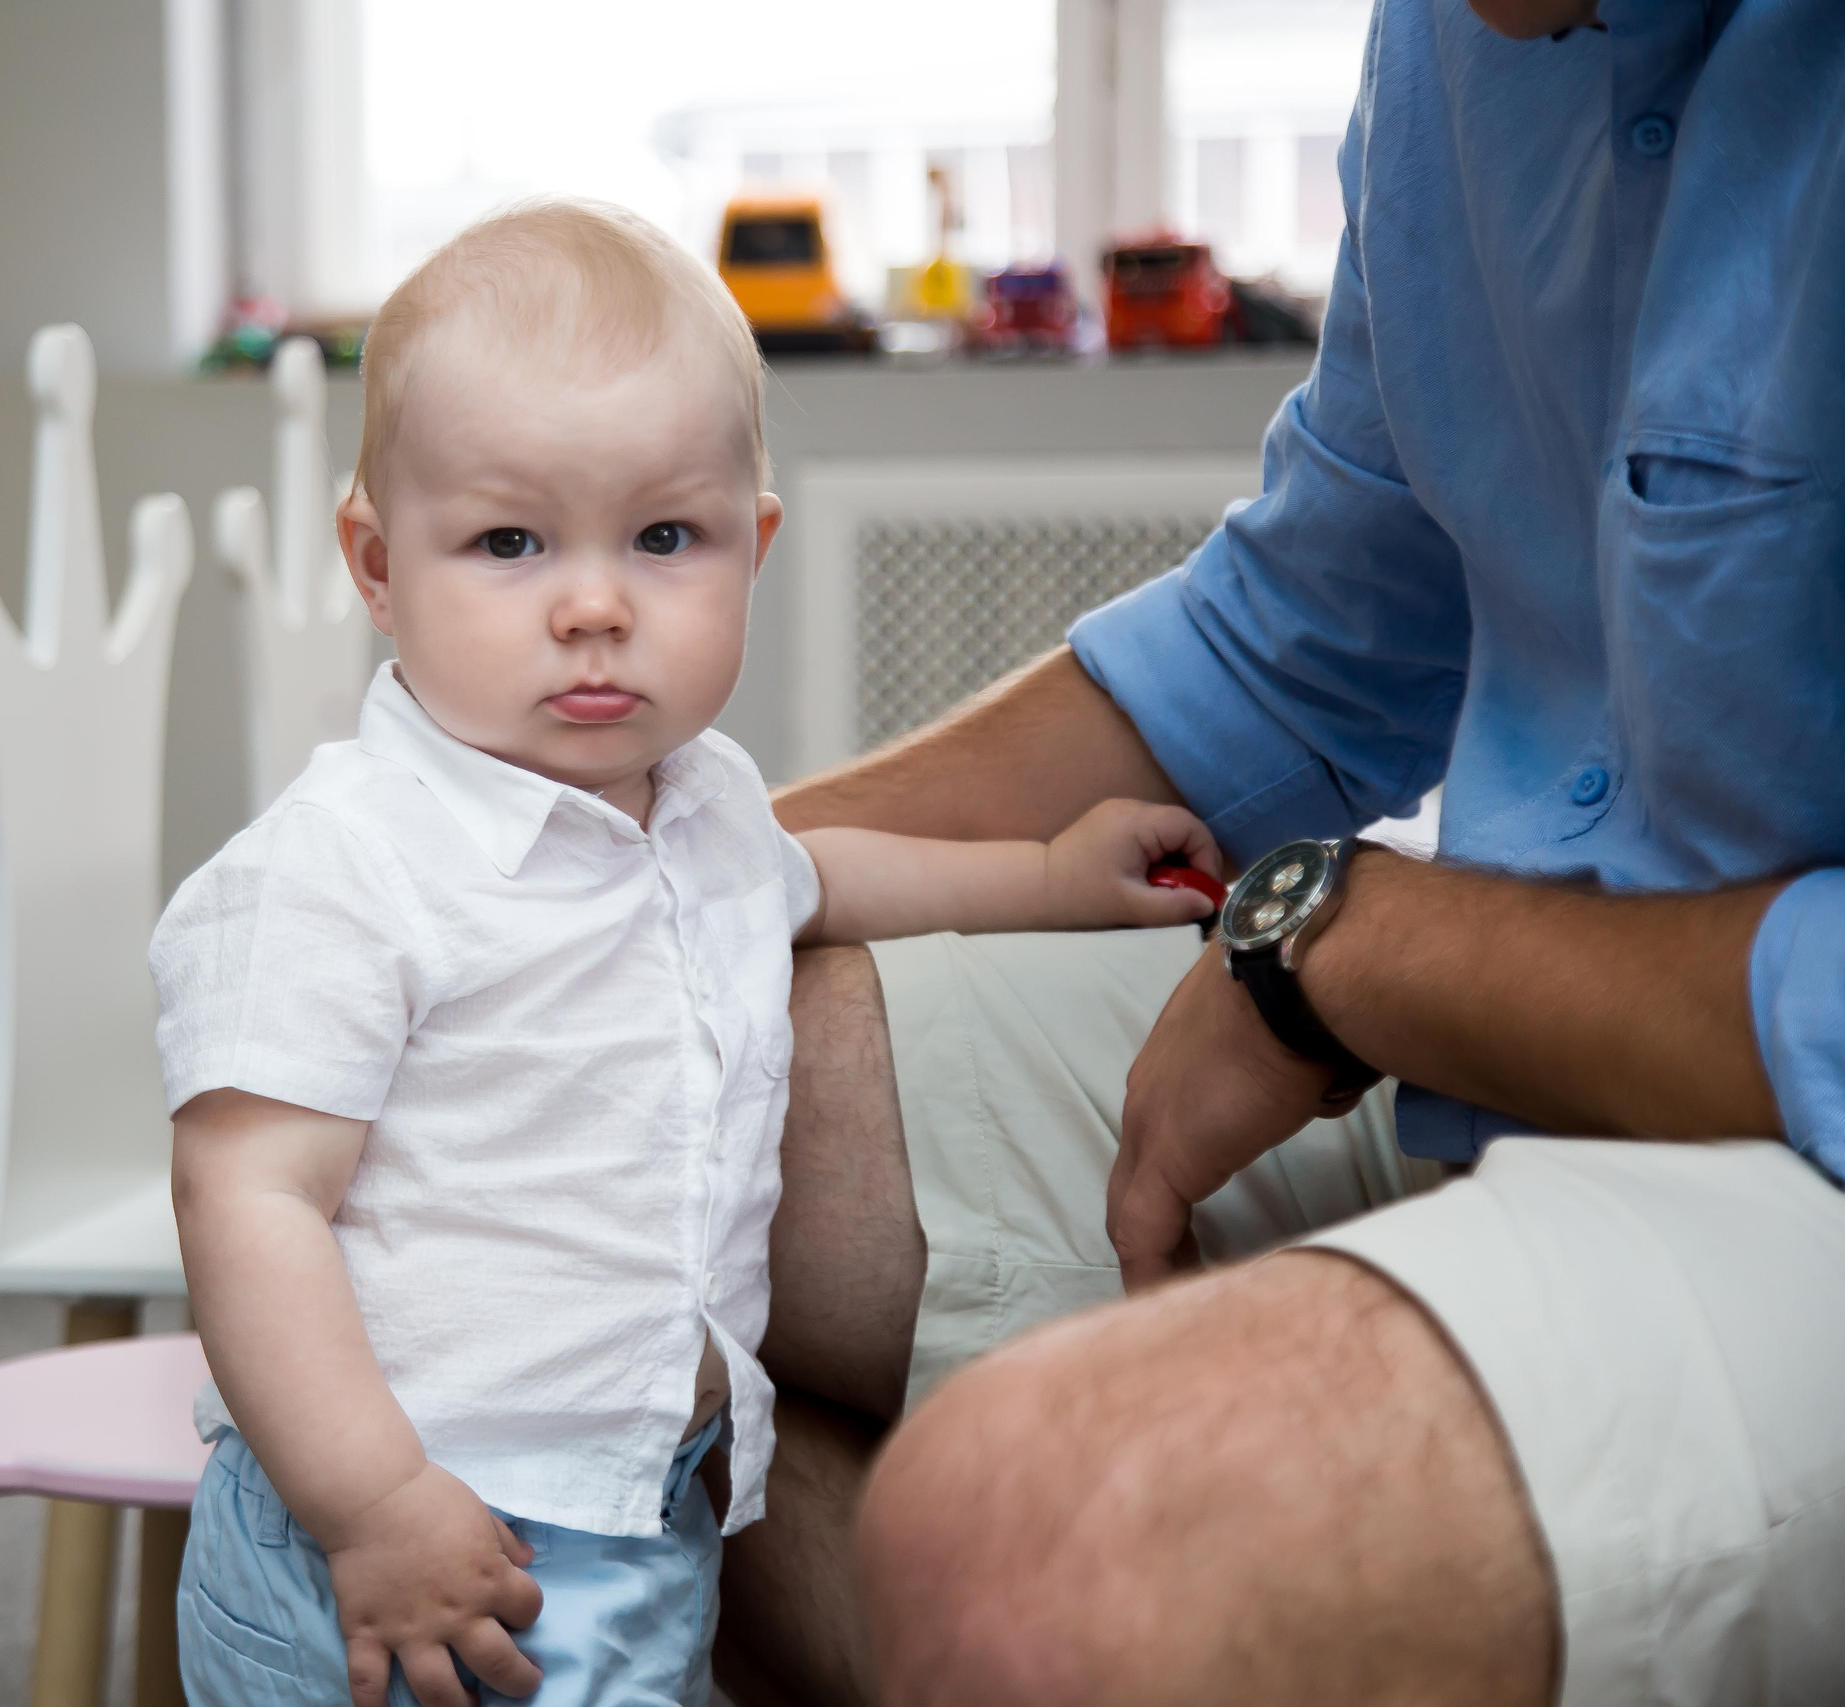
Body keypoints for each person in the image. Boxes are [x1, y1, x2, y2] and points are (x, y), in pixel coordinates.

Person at [714, 2, 1845, 1704]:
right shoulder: (1454, 43)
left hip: (1794, 1154)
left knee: (1033, 1542)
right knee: (588, 1102)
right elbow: (1302, 642)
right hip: (1461, 1062)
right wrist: (629, 886)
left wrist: (1354, 953)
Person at [149, 199, 1225, 1707]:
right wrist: (373, 1503)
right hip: (408, 1524)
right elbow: (246, 1198)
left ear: (753, 543)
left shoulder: (704, 803)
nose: (595, 606)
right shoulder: (341, 869)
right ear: (380, 567)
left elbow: (818, 880)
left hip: (645, 1505)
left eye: (666, 538)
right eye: (509, 543)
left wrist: (1043, 875)